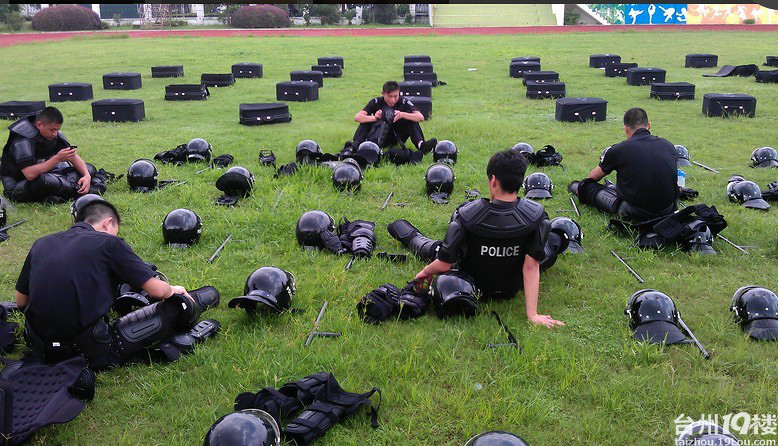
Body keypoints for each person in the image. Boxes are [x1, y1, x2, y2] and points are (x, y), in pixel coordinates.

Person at [14, 198, 199, 370]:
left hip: (41, 349)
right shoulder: (109, 243)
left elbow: (21, 300)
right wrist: (174, 289)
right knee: (179, 306)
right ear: (108, 222)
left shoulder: (41, 243)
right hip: (86, 351)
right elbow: (158, 290)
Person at [389, 150, 565, 328]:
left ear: (493, 180)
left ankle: (405, 231)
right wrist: (532, 314)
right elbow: (531, 266)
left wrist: (425, 272)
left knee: (435, 249)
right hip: (512, 284)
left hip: (469, 283)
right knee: (548, 250)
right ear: (521, 181)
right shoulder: (537, 216)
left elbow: (444, 264)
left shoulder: (466, 215)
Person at [569, 107, 678, 222]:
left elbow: (593, 177)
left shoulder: (619, 150)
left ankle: (576, 187)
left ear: (626, 129)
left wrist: (583, 186)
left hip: (634, 212)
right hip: (668, 209)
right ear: (649, 125)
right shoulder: (668, 145)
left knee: (588, 186)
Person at [1, 107, 106, 203]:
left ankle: (58, 196)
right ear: (39, 125)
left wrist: (86, 176)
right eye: (52, 130)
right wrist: (57, 159)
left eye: (57, 129)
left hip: (46, 173)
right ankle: (84, 192)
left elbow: (73, 156)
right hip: (19, 183)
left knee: (88, 168)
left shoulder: (53, 133)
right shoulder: (22, 139)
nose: (55, 134)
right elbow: (29, 174)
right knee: (44, 181)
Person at [349, 81, 437, 153]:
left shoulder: (403, 102)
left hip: (397, 136)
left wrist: (402, 114)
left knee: (411, 119)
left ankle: (421, 145)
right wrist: (375, 118)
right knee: (366, 121)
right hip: (378, 136)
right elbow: (357, 117)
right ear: (383, 94)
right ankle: (356, 145)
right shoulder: (376, 102)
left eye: (396, 96)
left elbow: (420, 117)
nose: (393, 100)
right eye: (389, 96)